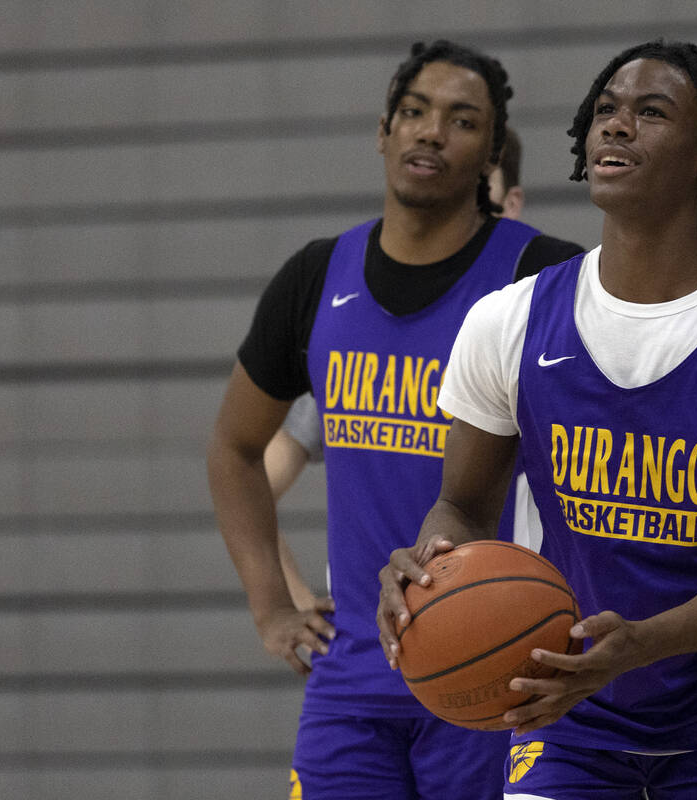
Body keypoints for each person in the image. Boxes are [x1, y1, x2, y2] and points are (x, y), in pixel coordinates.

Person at [377, 39, 697, 800]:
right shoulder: (509, 323)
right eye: (605, 111)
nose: (615, 128)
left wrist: (637, 646)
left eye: (650, 113)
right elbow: (463, 506)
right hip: (563, 711)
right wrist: (431, 568)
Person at [207, 39, 582, 799]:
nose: (430, 131)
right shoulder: (316, 278)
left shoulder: (543, 278)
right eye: (413, 112)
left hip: (500, 668)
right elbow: (235, 448)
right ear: (383, 130)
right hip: (353, 683)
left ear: (490, 155)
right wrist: (272, 608)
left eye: (460, 120)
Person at [262, 123, 534, 611]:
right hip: (366, 643)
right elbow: (256, 479)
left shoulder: (535, 334)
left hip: (494, 620)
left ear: (510, 204)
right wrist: (288, 604)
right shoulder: (358, 338)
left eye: (477, 189)